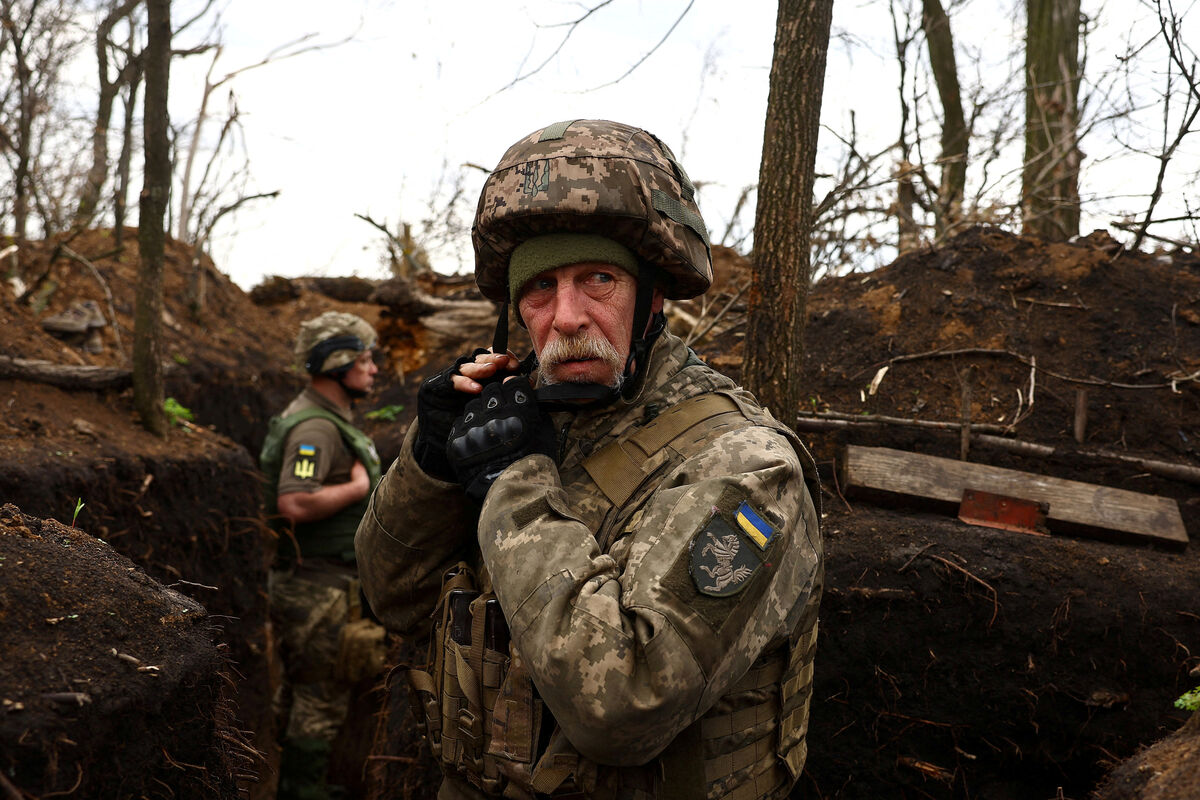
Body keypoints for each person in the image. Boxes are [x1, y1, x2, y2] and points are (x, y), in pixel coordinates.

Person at [356, 119, 824, 799]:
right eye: (540, 288)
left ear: (652, 296)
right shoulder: (525, 416)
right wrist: (427, 466)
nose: (566, 315)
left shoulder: (743, 466)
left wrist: (512, 482)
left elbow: (625, 705)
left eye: (597, 278)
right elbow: (389, 598)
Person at [260, 310, 385, 800]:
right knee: (320, 699)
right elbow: (293, 503)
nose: (374, 369)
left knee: (302, 692)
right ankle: (302, 789)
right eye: (366, 359)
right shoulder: (316, 430)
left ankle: (295, 783)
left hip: (315, 582)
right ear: (337, 364)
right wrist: (357, 488)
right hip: (319, 587)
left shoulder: (323, 418)